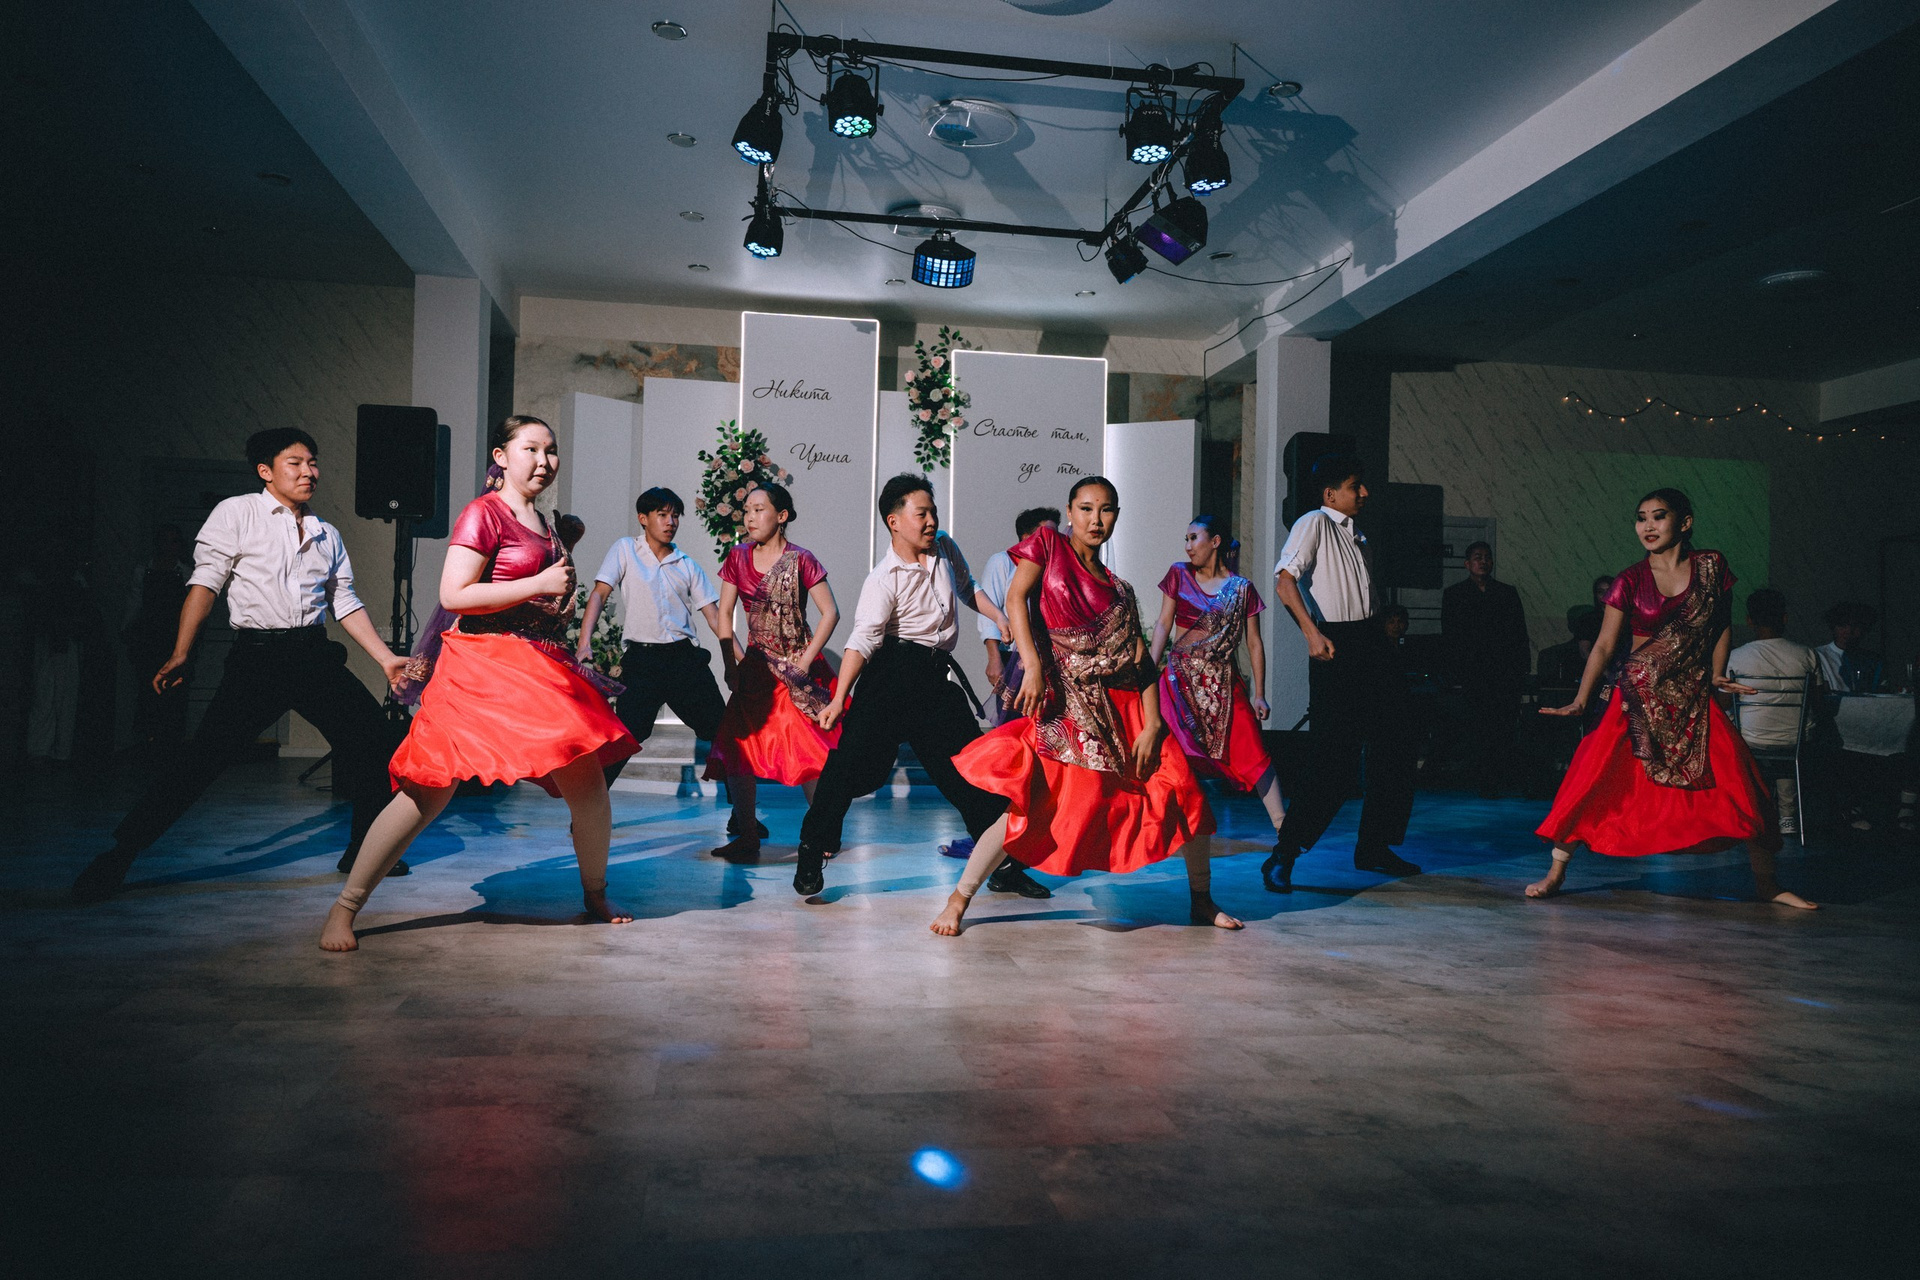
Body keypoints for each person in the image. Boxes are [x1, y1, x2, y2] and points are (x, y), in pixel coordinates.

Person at [320, 415, 639, 950]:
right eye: (531, 449)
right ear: (501, 456)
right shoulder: (483, 513)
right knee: (428, 792)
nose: (544, 460)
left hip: (537, 666)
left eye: (551, 451)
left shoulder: (546, 522)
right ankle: (345, 908)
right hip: (480, 665)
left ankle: (595, 894)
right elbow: (454, 595)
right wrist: (538, 582)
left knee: (588, 786)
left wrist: (556, 570)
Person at [72, 429, 411, 901]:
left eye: (313, 462)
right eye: (295, 463)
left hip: (313, 656)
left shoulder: (325, 533)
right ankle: (118, 856)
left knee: (374, 741)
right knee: (202, 761)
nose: (309, 472)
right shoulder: (237, 513)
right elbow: (205, 584)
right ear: (265, 471)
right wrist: (181, 652)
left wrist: (386, 659)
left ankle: (363, 852)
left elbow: (345, 602)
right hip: (258, 659)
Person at [939, 476, 1236, 934]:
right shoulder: (1047, 546)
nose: (1096, 519)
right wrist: (1032, 666)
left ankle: (1201, 899)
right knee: (1030, 808)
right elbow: (1015, 598)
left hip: (1128, 706)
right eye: (1086, 508)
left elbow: (1140, 661)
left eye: (1106, 509)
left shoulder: (1121, 590)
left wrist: (1154, 724)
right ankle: (959, 899)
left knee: (1184, 791)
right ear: (1070, 512)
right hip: (1069, 707)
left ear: (1116, 515)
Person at [1530, 489, 1814, 909]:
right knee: (1591, 781)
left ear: (1685, 523)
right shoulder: (1629, 580)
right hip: (1636, 696)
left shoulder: (1711, 567)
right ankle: (1555, 872)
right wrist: (1581, 699)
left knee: (1741, 783)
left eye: (1658, 516)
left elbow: (1720, 625)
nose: (1647, 526)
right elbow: (1605, 646)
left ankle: (1767, 884)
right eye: (1641, 517)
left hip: (1693, 696)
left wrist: (1717, 673)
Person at [794, 473, 1051, 901]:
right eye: (922, 514)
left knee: (969, 771)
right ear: (894, 521)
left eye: (933, 512)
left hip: (933, 679)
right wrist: (839, 698)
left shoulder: (944, 547)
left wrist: (999, 617)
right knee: (854, 768)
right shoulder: (883, 578)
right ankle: (812, 846)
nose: (932, 521)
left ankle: (1004, 864)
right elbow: (862, 640)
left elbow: (968, 588)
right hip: (889, 676)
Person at [1262, 455, 1419, 894]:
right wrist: (1312, 634)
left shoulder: (1358, 534)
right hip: (1338, 643)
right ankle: (1284, 853)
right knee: (1334, 758)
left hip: (1371, 640)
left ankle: (1374, 846)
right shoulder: (1314, 522)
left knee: (1396, 743)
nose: (1364, 493)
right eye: (1355, 486)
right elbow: (1284, 582)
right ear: (1331, 494)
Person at [703, 483, 840, 860]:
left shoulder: (801, 559)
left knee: (808, 749)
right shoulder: (737, 557)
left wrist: (805, 661)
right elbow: (724, 616)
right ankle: (747, 834)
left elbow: (830, 613)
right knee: (738, 748)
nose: (750, 517)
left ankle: (822, 833)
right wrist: (730, 666)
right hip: (756, 670)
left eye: (759, 509)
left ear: (781, 516)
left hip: (796, 670)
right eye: (747, 510)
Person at [579, 487, 731, 795]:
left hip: (684, 660)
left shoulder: (687, 564)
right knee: (627, 736)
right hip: (642, 661)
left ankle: (742, 813)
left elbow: (715, 618)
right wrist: (585, 642)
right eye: (662, 515)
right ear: (643, 518)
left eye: (675, 516)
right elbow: (599, 594)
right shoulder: (625, 549)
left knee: (722, 730)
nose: (670, 522)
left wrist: (737, 658)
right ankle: (589, 807)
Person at [1149, 514, 1286, 839]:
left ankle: (1284, 828)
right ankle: (1160, 827)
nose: (1188, 546)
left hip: (1223, 685)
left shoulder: (1241, 589)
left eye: (1193, 538)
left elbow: (1254, 642)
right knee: (1168, 752)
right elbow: (1164, 624)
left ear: (1215, 541)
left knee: (1253, 751)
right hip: (1178, 683)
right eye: (1186, 539)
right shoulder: (1179, 574)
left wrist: (1259, 693)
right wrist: (1149, 672)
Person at [1726, 588, 1821, 836]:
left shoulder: (1736, 656)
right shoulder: (1807, 654)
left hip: (1751, 738)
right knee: (1788, 748)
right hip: (1796, 740)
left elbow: (1724, 702)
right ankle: (1787, 817)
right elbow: (1819, 701)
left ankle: (1749, 812)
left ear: (1749, 620)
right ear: (1785, 618)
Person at [1442, 541, 1530, 797]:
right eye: (1477, 557)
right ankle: (1481, 778)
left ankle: (1498, 777)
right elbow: (1451, 636)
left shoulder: (1506, 593)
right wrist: (1454, 671)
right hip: (1473, 672)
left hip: (1503, 671)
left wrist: (1521, 668)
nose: (1483, 561)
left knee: (1502, 725)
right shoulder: (1455, 594)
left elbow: (1519, 633)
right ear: (1467, 564)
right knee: (1478, 726)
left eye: (1487, 557)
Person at [980, 506, 1059, 727]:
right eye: (1048, 535)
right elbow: (989, 613)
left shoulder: (1057, 568)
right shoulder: (1002, 562)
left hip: (1051, 659)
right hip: (1014, 658)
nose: (1055, 541)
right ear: (1026, 538)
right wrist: (994, 659)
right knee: (1015, 723)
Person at [124, 523, 192, 754]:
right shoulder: (143, 571)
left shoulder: (185, 572)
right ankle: (146, 741)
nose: (168, 547)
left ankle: (171, 742)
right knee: (147, 689)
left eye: (173, 541)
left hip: (175, 639)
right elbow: (135, 602)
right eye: (164, 541)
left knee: (176, 690)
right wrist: (126, 629)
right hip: (148, 638)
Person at [1816, 602, 1883, 693]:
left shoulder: (1872, 660)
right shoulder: (1818, 656)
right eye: (1843, 626)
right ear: (1833, 627)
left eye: (1855, 626)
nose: (1848, 631)